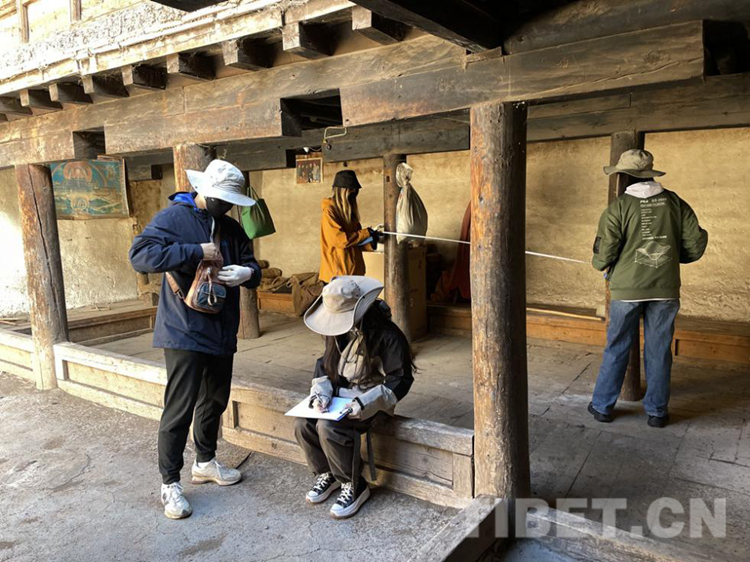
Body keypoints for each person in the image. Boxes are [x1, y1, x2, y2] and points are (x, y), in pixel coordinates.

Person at [129, 159, 262, 519]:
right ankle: (170, 482)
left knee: (215, 398)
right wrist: (194, 251)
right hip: (183, 327)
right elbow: (140, 256)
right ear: (207, 193)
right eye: (225, 200)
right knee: (180, 406)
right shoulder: (174, 218)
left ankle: (205, 461)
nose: (229, 206)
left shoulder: (231, 227)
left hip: (221, 326)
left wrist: (246, 273)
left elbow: (254, 267)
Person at [588, 149, 708, 428]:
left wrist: (599, 264)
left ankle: (603, 407)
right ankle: (657, 412)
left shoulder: (618, 208)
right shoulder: (676, 202)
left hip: (627, 290)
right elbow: (696, 242)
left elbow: (604, 253)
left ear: (624, 176)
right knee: (659, 350)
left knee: (617, 346)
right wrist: (674, 260)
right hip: (665, 289)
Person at [294, 276, 414, 519]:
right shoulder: (337, 331)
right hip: (340, 397)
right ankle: (327, 473)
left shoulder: (388, 335)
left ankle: (354, 484)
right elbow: (325, 366)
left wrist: (363, 403)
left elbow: (400, 380)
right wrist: (321, 395)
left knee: (328, 427)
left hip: (373, 401)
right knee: (303, 422)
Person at [318, 170, 381, 284]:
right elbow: (340, 240)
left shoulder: (350, 212)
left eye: (355, 191)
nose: (354, 194)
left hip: (353, 273)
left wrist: (372, 240)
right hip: (338, 275)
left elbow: (356, 242)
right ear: (343, 191)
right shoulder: (330, 211)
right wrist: (366, 233)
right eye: (351, 191)